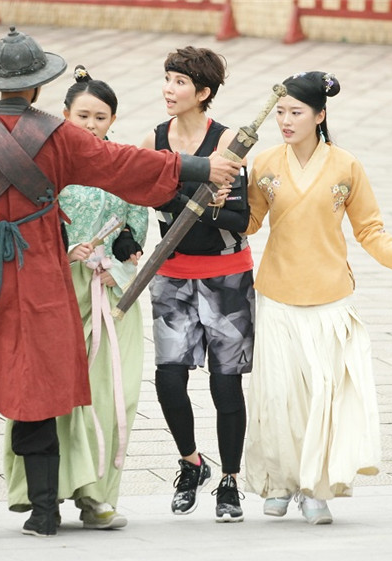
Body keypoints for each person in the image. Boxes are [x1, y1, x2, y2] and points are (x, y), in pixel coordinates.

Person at [0, 27, 240, 538]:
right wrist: (198, 166)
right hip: (46, 279)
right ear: (39, 86)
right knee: (39, 387)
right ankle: (44, 513)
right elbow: (122, 164)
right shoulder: (59, 136)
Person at [242, 71, 392, 525]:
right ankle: (281, 483)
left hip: (329, 297)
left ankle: (315, 490)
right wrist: (218, 197)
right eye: (280, 112)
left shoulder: (346, 166)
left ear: (320, 116)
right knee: (279, 398)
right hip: (277, 293)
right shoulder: (264, 164)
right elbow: (249, 224)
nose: (285, 121)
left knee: (324, 397)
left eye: (296, 112)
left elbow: (369, 229)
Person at [2, 65, 147, 530]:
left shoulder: (122, 164)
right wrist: (66, 251)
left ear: (113, 120)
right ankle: (42, 492)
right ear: (64, 116)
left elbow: (135, 223)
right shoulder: (44, 166)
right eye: (82, 116)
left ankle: (97, 497)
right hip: (57, 291)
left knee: (113, 394)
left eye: (100, 117)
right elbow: (27, 229)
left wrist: (124, 249)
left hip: (111, 293)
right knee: (55, 394)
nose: (91, 125)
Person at [139, 46, 254, 522]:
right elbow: (140, 194)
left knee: (226, 386)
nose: (169, 89)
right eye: (167, 79)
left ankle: (230, 480)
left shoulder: (228, 142)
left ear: (203, 92)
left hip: (227, 276)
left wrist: (183, 196)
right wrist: (196, 197)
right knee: (169, 379)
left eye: (180, 82)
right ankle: (191, 463)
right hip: (173, 274)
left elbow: (239, 218)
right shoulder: (155, 139)